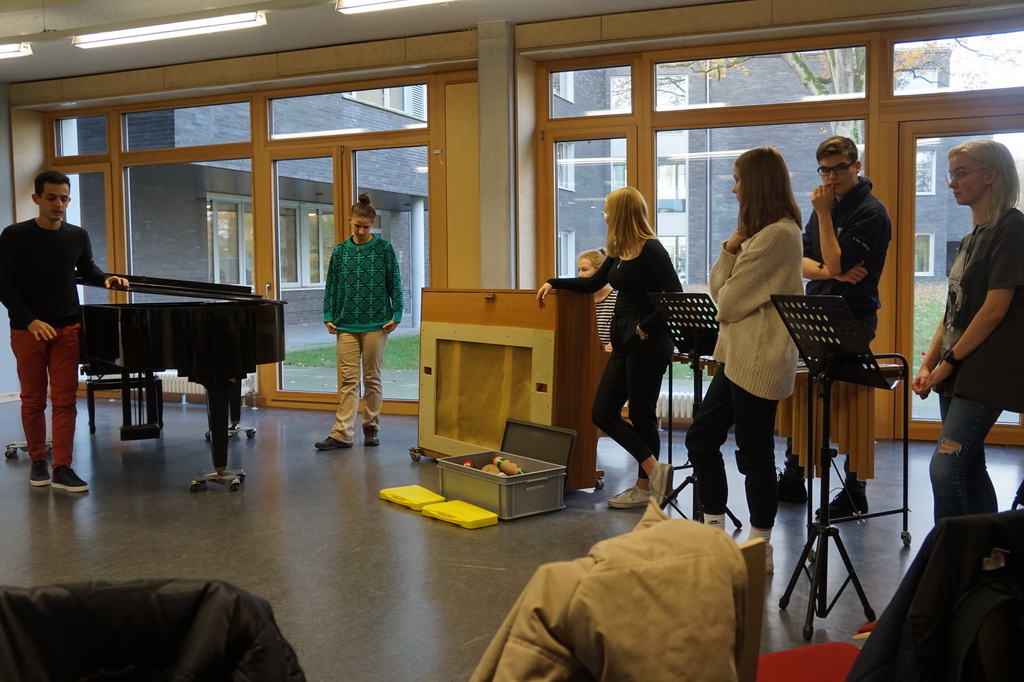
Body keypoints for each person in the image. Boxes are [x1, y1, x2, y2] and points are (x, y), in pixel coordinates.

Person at [685, 146, 804, 572]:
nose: (734, 189)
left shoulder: (777, 235)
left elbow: (729, 302)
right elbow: (721, 290)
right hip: (737, 356)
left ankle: (759, 546)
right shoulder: (759, 235)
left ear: (756, 183)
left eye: (738, 180)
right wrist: (730, 249)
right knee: (701, 439)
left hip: (760, 358)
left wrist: (732, 261)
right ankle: (715, 532)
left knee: (755, 454)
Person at [537, 187, 680, 509]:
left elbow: (674, 297)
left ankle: (644, 488)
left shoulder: (652, 250)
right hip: (623, 343)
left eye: (608, 211)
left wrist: (644, 327)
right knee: (602, 413)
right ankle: (655, 470)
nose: (605, 217)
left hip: (648, 343)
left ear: (622, 214)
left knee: (642, 416)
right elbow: (592, 284)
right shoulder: (619, 251)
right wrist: (553, 282)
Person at [778, 135, 892, 516]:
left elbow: (836, 261)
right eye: (824, 170)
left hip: (853, 316)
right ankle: (794, 477)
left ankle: (855, 489)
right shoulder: (824, 206)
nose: (830, 177)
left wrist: (825, 222)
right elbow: (801, 261)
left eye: (839, 168)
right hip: (815, 310)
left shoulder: (871, 212)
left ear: (856, 166)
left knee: (847, 399)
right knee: (803, 392)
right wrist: (833, 271)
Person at [913, 139, 1024, 523]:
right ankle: (988, 551)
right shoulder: (970, 237)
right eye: (951, 174)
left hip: (983, 371)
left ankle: (951, 552)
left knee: (946, 468)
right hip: (957, 368)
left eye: (961, 174)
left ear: (991, 175)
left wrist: (948, 362)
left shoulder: (1013, 228)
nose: (952, 183)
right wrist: (928, 363)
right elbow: (952, 312)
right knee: (970, 468)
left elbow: (994, 310)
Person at [0, 170, 129, 493]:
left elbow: (87, 268)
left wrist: (106, 278)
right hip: (28, 330)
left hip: (67, 327)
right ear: (36, 198)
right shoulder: (15, 235)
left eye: (64, 198)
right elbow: (4, 284)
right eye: (52, 198)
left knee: (65, 400)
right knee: (33, 399)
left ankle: (63, 467)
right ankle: (38, 461)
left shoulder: (77, 235)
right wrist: (30, 320)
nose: (59, 204)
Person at [315, 193, 403, 450]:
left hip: (377, 323)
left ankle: (371, 426)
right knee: (348, 381)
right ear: (349, 221)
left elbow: (395, 283)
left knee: (372, 378)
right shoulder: (340, 251)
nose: (361, 231)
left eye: (366, 227)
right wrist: (328, 315)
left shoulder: (384, 249)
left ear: (372, 224)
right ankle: (342, 433)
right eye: (357, 226)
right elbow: (331, 285)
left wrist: (397, 315)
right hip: (345, 324)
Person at [576, 248, 617, 353]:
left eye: (584, 270)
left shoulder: (617, 300)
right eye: (579, 270)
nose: (579, 275)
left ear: (600, 273)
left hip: (609, 356)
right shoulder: (580, 300)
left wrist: (616, 344)